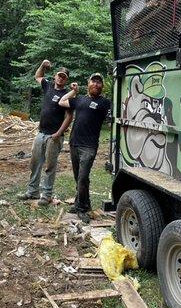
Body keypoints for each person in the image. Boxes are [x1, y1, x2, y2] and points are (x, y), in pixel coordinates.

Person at [18, 60, 73, 206]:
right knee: (35, 163)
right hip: (41, 133)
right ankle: (32, 191)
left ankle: (46, 195)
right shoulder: (48, 86)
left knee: (49, 166)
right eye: (59, 75)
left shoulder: (67, 94)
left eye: (64, 77)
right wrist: (42, 65)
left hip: (54, 136)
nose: (61, 78)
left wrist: (59, 133)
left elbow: (69, 116)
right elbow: (37, 77)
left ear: (66, 79)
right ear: (55, 76)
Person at [59, 73, 111, 223]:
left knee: (82, 178)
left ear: (102, 86)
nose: (96, 84)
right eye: (93, 81)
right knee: (78, 178)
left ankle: (82, 209)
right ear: (88, 83)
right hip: (74, 143)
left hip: (89, 146)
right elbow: (62, 102)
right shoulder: (79, 99)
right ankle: (83, 203)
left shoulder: (105, 103)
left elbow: (110, 120)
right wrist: (74, 91)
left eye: (99, 82)